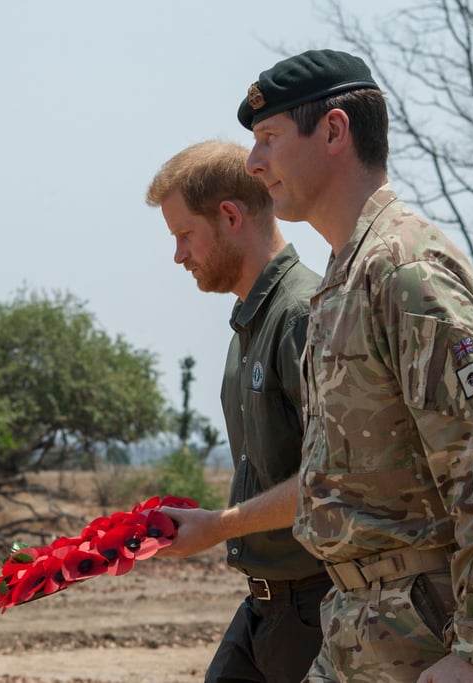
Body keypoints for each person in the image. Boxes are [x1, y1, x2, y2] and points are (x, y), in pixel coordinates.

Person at [237, 49, 473, 683]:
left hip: (433, 633)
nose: (253, 161)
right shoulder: (344, 277)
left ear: (333, 131)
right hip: (358, 623)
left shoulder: (406, 270)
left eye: (268, 137)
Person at [146, 140, 332, 683]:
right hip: (263, 606)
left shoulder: (303, 314)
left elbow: (330, 479)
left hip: (318, 608)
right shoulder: (248, 321)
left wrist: (219, 526)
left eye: (184, 235)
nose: (179, 255)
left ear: (229, 216)